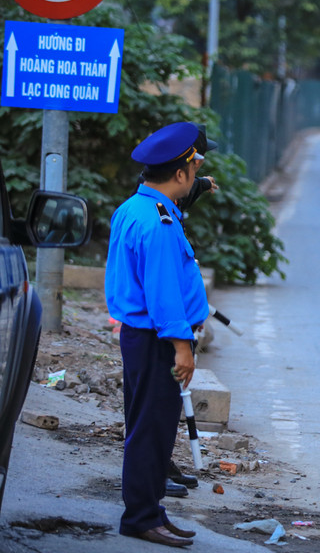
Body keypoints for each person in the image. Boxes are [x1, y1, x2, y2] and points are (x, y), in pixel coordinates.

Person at [105, 122, 209, 546]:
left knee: (145, 424)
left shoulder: (134, 208)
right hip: (158, 341)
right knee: (153, 429)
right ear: (180, 173)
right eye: (194, 168)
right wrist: (183, 347)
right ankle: (142, 516)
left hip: (139, 336)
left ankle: (149, 510)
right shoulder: (160, 222)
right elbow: (164, 293)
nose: (196, 175)